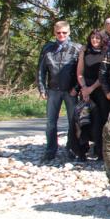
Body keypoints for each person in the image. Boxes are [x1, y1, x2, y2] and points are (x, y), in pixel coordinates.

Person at [38, 21, 82, 162]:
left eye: (64, 32)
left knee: (73, 122)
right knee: (51, 122)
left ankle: (71, 148)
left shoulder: (77, 48)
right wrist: (42, 88)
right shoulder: (47, 48)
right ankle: (50, 150)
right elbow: (41, 70)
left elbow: (81, 72)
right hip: (53, 91)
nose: (61, 35)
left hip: (71, 91)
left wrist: (76, 88)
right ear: (54, 32)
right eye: (58, 32)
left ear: (69, 32)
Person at [75, 29, 109, 160]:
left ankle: (100, 150)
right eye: (92, 37)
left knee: (101, 121)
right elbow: (80, 73)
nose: (95, 40)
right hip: (86, 89)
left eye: (98, 38)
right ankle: (82, 150)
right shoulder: (85, 52)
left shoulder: (106, 53)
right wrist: (84, 88)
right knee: (84, 120)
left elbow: (104, 74)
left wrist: (92, 88)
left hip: (101, 89)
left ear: (102, 40)